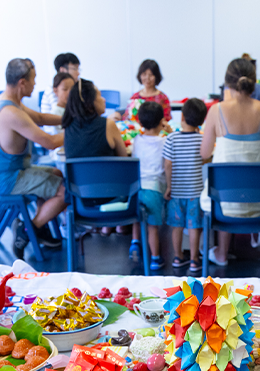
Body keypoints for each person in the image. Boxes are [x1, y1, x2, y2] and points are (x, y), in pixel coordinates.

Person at [200, 58, 260, 267]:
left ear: (228, 84)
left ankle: (221, 253)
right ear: (254, 82)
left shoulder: (217, 110)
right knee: (237, 183)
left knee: (225, 186)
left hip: (223, 204)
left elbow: (204, 152)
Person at [0, 58, 66, 259]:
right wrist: (78, 130)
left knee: (56, 173)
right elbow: (48, 142)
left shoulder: (7, 101)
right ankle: (31, 228)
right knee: (67, 192)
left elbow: (40, 118)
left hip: (9, 172)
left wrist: (71, 118)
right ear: (22, 82)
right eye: (33, 80)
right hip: (9, 179)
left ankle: (38, 228)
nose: (35, 85)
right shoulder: (11, 112)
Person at [62, 78, 130, 239]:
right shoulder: (108, 125)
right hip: (112, 197)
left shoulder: (67, 128)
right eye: (99, 96)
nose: (104, 99)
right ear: (90, 102)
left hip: (79, 202)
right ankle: (124, 229)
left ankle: (109, 227)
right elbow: (124, 161)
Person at [163, 98, 208, 275]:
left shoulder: (171, 138)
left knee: (177, 226)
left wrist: (169, 186)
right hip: (195, 192)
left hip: (176, 191)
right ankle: (194, 260)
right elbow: (205, 158)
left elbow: (167, 164)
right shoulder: (202, 140)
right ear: (202, 121)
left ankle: (177, 256)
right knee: (194, 226)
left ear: (181, 116)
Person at [130, 102, 167, 270]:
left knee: (137, 216)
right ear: (162, 122)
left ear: (140, 123)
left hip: (136, 189)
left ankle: (135, 242)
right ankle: (155, 258)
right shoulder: (165, 141)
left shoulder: (137, 140)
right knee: (153, 227)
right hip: (154, 189)